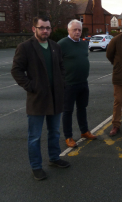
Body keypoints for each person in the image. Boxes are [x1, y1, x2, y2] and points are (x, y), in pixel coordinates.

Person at [11, 16, 70, 181]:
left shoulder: (55, 46)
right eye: (42, 27)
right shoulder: (25, 47)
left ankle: (54, 158)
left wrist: (61, 84)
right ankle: (36, 167)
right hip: (37, 99)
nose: (45, 31)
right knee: (35, 136)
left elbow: (61, 67)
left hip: (56, 97)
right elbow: (16, 71)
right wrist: (31, 87)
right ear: (34, 29)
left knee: (54, 132)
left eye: (48, 28)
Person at [57, 19, 97, 148]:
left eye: (79, 30)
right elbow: (55, 64)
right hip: (68, 84)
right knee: (67, 111)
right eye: (75, 29)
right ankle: (68, 137)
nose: (77, 32)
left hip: (83, 82)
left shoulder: (84, 44)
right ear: (68, 30)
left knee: (82, 108)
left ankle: (84, 131)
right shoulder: (62, 44)